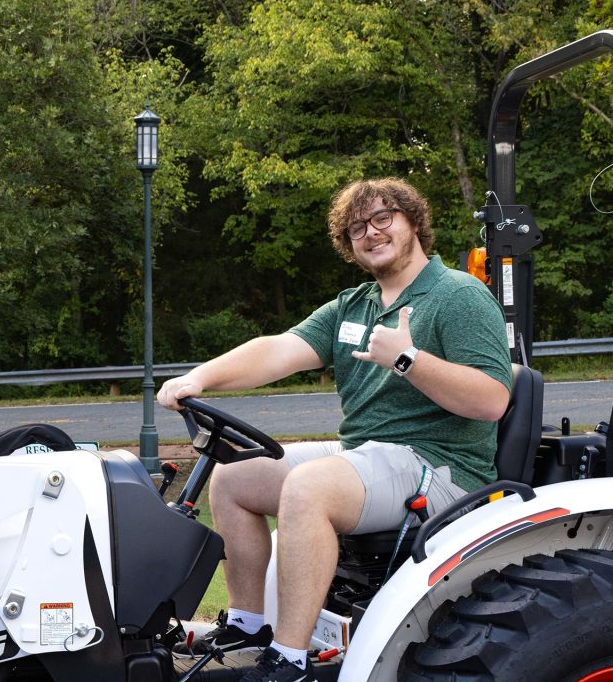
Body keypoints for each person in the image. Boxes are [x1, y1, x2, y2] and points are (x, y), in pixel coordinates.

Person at [157, 177, 511, 682]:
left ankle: (289, 660)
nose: (370, 233)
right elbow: (278, 349)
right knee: (235, 476)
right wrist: (198, 378)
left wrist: (407, 359)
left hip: (440, 467)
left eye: (382, 218)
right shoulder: (354, 305)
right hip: (370, 453)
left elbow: (492, 400)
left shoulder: (459, 295)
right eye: (356, 228)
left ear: (413, 221)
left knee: (309, 486)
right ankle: (246, 624)